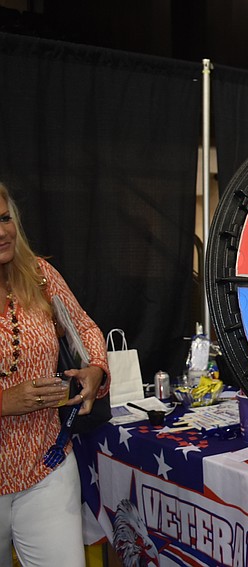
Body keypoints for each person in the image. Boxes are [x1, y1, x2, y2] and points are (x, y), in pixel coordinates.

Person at [0, 182, 110, 567]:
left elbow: (85, 327)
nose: (1, 231)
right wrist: (4, 402)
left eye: (5, 218)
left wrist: (95, 369)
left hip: (47, 467)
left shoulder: (38, 274)